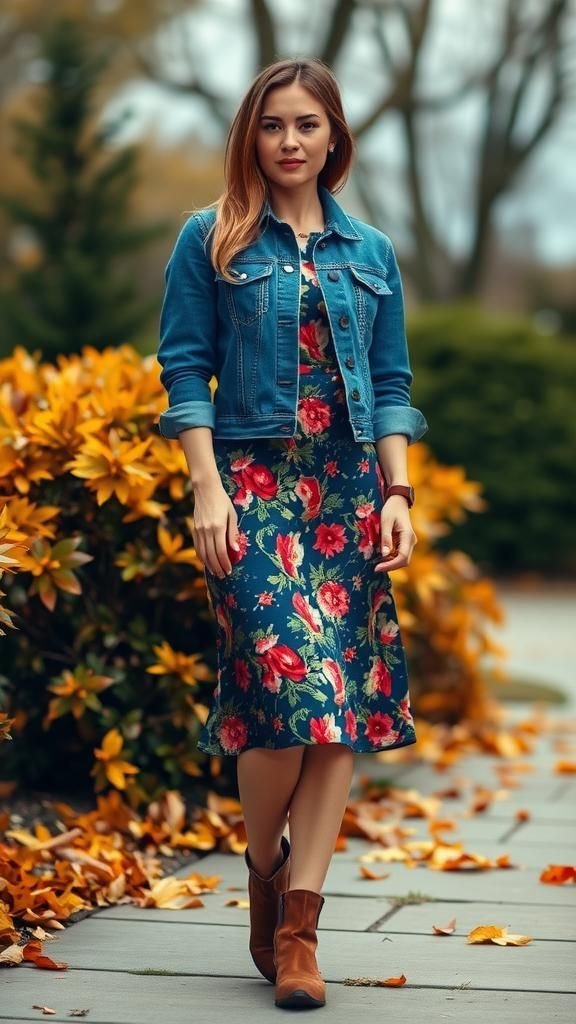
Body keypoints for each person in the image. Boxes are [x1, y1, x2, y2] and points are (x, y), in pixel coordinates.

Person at [157, 57, 428, 1011]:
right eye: (273, 124)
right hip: (255, 489)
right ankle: (262, 860)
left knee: (339, 710)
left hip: (349, 490)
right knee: (284, 697)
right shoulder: (213, 240)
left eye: (308, 123)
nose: (290, 140)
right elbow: (185, 368)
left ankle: (300, 928)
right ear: (251, 135)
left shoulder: (372, 252)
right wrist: (207, 488)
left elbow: (391, 385)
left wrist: (399, 493)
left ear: (334, 136)